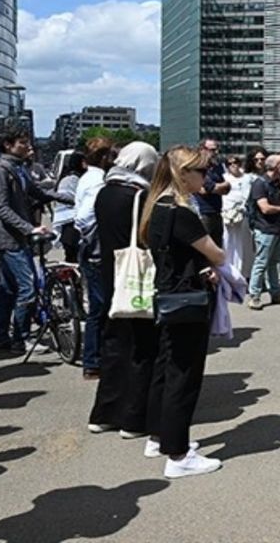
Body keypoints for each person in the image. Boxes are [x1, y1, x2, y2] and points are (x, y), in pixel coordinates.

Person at [140, 145, 227, 478]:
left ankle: (159, 436)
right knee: (184, 375)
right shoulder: (181, 212)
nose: (205, 177)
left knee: (166, 368)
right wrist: (209, 263)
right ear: (184, 173)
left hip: (169, 293)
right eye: (201, 171)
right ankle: (177, 454)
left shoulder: (158, 207)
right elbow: (216, 253)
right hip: (187, 299)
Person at [87, 142, 160, 439]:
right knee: (141, 348)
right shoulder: (140, 196)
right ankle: (132, 419)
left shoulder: (105, 192)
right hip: (137, 278)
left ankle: (103, 413)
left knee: (113, 345)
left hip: (111, 273)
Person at [0, 124, 68, 353]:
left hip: (15, 238)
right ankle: (20, 339)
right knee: (27, 287)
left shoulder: (18, 169)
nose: (28, 146)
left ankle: (0, 337)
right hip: (7, 239)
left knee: (8, 290)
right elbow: (0, 208)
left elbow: (39, 193)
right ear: (8, 145)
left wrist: (72, 199)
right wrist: (29, 228)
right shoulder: (0, 171)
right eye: (22, 142)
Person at [74, 136, 115, 380]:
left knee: (98, 306)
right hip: (95, 248)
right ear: (102, 157)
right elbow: (85, 216)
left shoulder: (88, 178)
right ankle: (93, 360)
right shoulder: (98, 181)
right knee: (100, 307)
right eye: (110, 155)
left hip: (90, 247)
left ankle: (94, 358)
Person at [246, 154, 280, 309]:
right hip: (265, 229)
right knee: (261, 262)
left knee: (274, 262)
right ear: (272, 166)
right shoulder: (260, 184)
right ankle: (254, 295)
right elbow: (265, 208)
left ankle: (275, 292)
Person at [221, 154, 257, 280]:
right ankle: (229, 273)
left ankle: (244, 274)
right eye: (230, 163)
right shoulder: (223, 178)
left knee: (244, 245)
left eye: (236, 162)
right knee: (228, 244)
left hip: (243, 216)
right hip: (227, 215)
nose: (233, 165)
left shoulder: (248, 178)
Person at [192, 139, 231, 247]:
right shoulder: (197, 166)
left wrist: (219, 187)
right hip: (203, 213)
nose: (216, 153)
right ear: (202, 149)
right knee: (204, 249)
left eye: (217, 149)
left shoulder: (218, 167)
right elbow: (208, 188)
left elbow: (227, 187)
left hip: (217, 212)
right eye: (213, 150)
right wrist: (219, 187)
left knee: (218, 248)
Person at [52, 152, 85, 263]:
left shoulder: (72, 178)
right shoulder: (71, 179)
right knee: (73, 260)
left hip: (73, 226)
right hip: (70, 225)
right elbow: (66, 202)